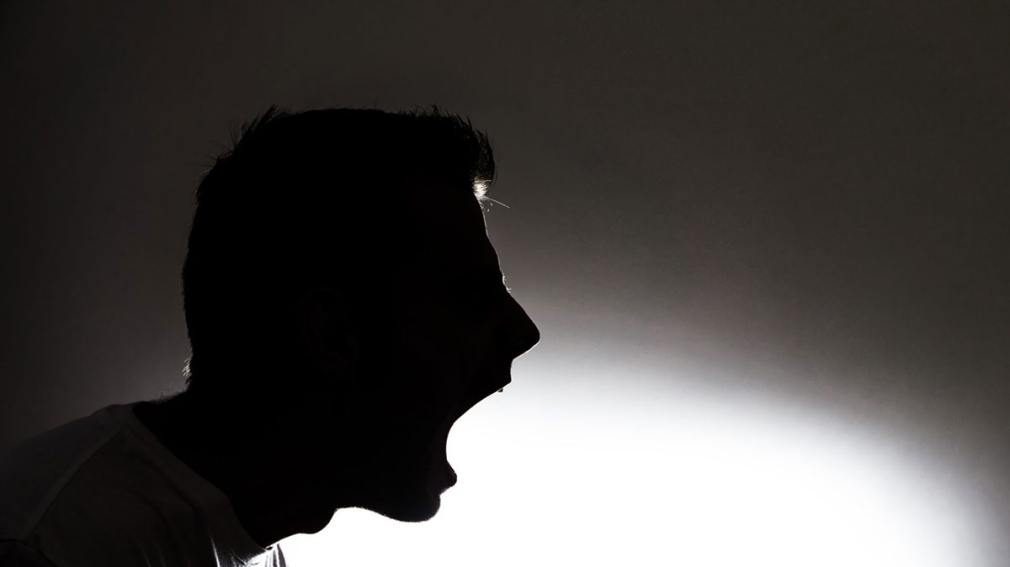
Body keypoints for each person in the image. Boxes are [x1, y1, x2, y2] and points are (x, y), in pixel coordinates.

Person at [0, 107, 541, 566]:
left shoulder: (233, 531)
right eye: (473, 297)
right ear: (331, 334)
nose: (523, 333)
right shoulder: (59, 546)